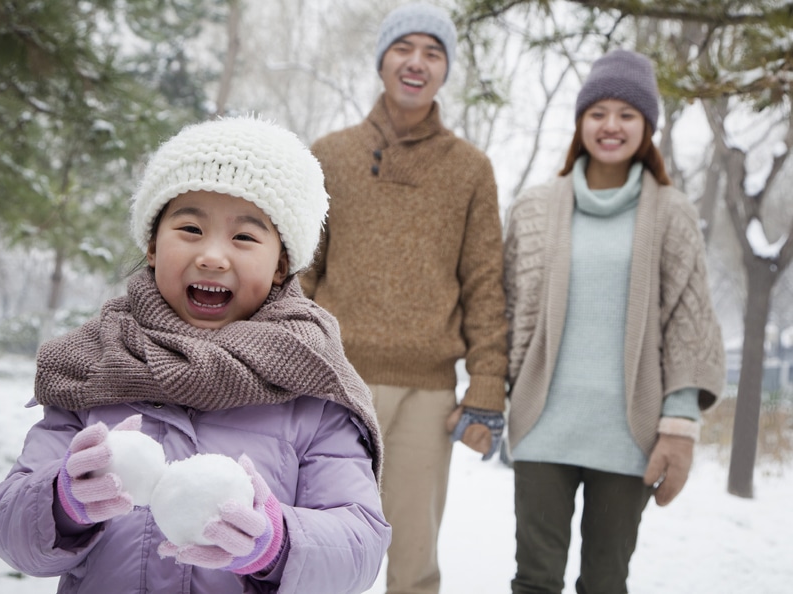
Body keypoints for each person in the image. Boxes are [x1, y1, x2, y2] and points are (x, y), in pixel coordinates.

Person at [0, 116, 391, 594]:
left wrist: (274, 544)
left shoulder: (312, 384)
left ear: (281, 264)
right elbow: (8, 528)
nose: (213, 256)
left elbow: (360, 546)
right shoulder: (94, 365)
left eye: (244, 237)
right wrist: (62, 501)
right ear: (154, 245)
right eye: (191, 228)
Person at [300, 3, 508, 593]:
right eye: (404, 48)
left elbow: (485, 284)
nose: (417, 63)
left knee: (413, 562)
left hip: (428, 393)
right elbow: (302, 272)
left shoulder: (471, 169)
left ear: (444, 70)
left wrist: (487, 388)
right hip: (334, 383)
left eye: (433, 52)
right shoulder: (330, 153)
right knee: (322, 547)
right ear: (383, 60)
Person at [502, 49, 726, 594]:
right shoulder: (533, 208)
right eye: (597, 112)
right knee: (535, 580)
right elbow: (503, 310)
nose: (611, 125)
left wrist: (678, 428)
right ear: (580, 122)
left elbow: (688, 325)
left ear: (646, 126)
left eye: (627, 114)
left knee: (605, 582)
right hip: (543, 426)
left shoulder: (672, 213)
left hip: (629, 435)